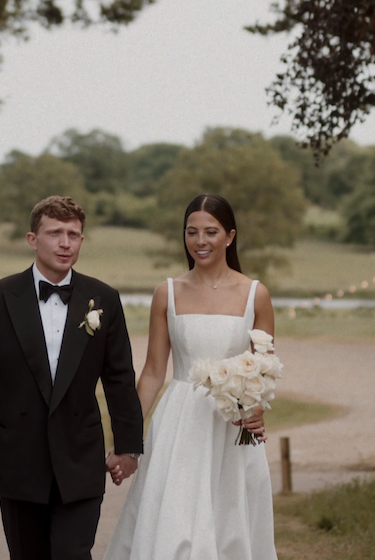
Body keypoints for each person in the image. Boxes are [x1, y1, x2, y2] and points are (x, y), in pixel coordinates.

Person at [0, 195, 146, 560]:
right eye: (55, 233)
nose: (65, 243)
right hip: (16, 458)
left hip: (81, 457)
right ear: (33, 239)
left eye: (73, 234)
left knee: (72, 554)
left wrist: (128, 446)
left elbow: (120, 378)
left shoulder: (103, 298)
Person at [104, 194, 277, 560]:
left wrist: (257, 409)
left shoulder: (255, 295)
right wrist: (127, 439)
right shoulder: (167, 292)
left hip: (233, 429)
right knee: (176, 526)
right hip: (179, 425)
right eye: (192, 232)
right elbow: (153, 373)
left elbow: (264, 370)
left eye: (211, 232)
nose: (201, 241)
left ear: (230, 236)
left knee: (231, 524)